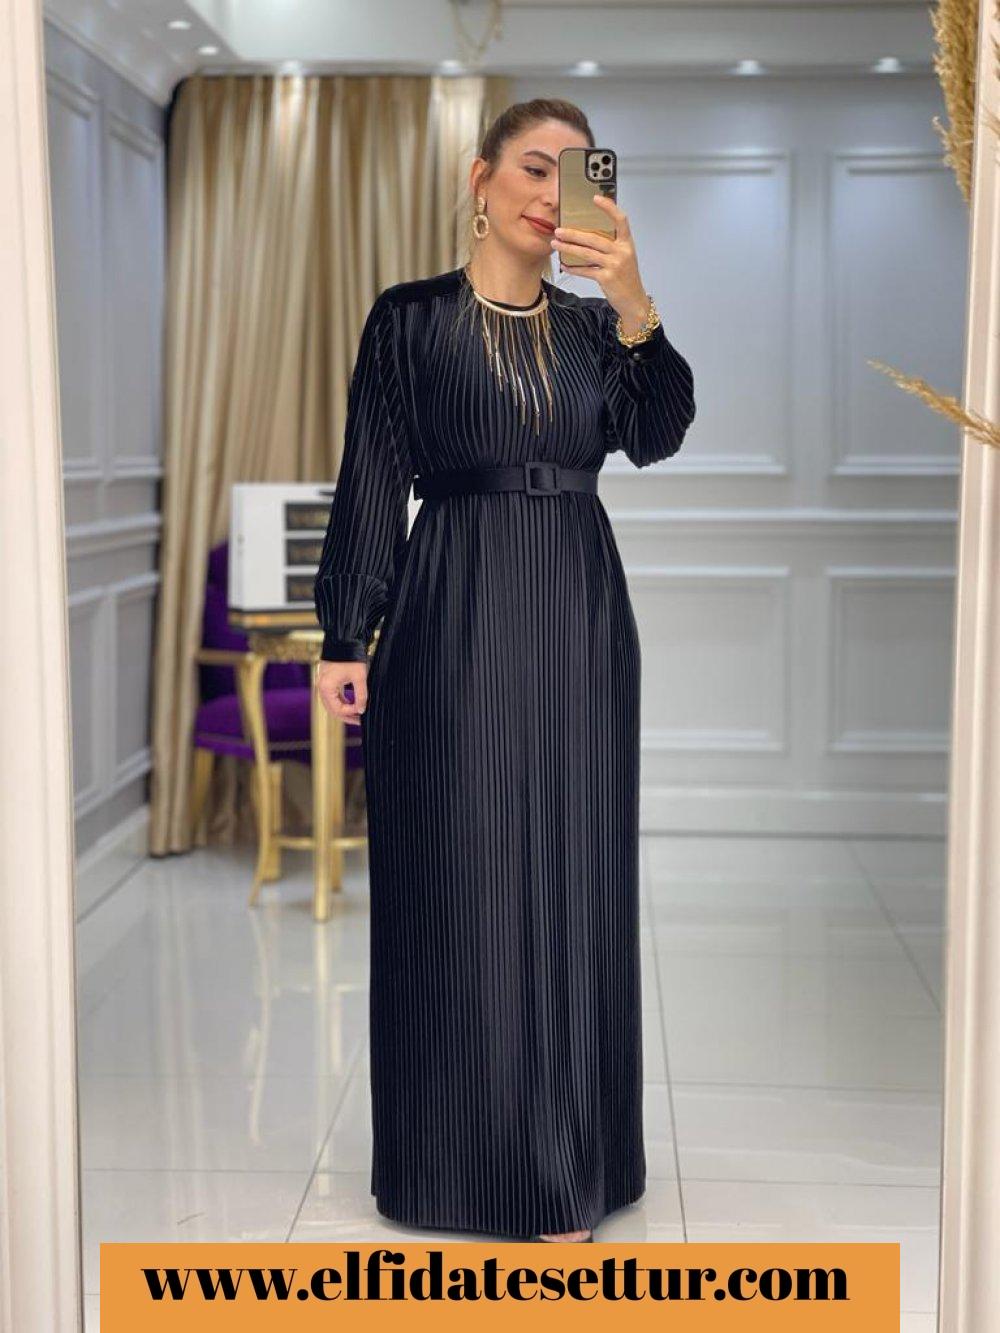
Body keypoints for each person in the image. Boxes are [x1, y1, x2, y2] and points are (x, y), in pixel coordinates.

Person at [313, 98, 696, 1243]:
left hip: (577, 613)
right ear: (479, 179)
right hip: (454, 609)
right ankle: (460, 1164)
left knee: (571, 878)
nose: (550, 192)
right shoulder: (410, 320)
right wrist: (345, 631)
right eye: (533, 166)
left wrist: (631, 297)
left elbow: (656, 433)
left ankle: (565, 1164)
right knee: (460, 873)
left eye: (577, 174)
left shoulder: (594, 331)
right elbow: (373, 475)